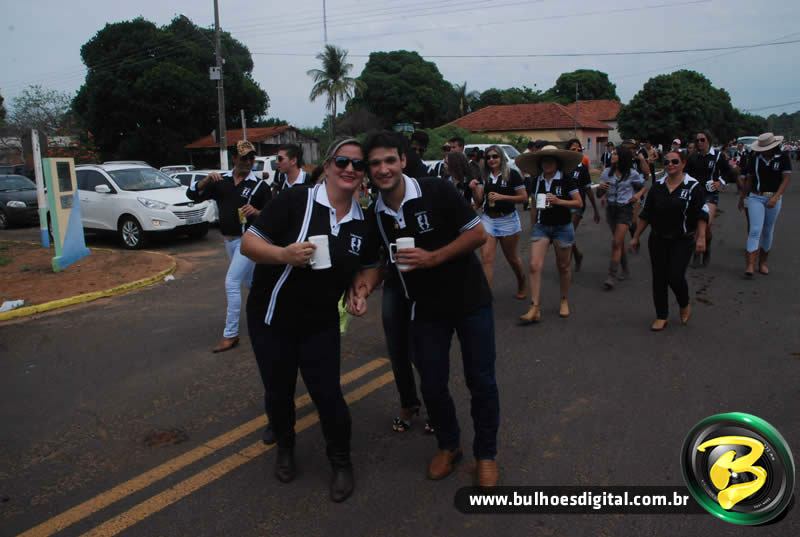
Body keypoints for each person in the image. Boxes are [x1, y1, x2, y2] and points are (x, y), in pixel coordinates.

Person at [350, 130, 500, 487]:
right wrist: (364, 288)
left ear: (403, 160)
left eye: (390, 160)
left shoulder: (437, 190)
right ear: (368, 171)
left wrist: (433, 258)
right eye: (375, 164)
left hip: (469, 300)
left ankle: (486, 455)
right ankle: (449, 445)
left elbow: (477, 234)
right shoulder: (376, 215)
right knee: (431, 383)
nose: (384, 169)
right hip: (426, 308)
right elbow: (381, 263)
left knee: (481, 380)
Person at [241, 137, 378, 502]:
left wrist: (360, 289)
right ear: (328, 166)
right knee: (279, 391)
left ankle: (341, 462)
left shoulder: (363, 221)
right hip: (272, 318)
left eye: (358, 165)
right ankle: (285, 449)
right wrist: (283, 254)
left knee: (328, 395)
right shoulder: (295, 200)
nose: (350, 169)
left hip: (320, 323)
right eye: (342, 161)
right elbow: (249, 244)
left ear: (363, 175)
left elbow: (366, 266)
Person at [186, 140, 272, 353]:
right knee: (251, 283)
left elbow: (273, 216)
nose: (248, 162)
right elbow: (192, 195)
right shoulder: (221, 181)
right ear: (234, 158)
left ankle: (230, 334)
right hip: (229, 241)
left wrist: (257, 212)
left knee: (232, 282)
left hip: (248, 240)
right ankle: (274, 312)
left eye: (251, 158)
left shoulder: (259, 186)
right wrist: (207, 180)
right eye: (244, 158)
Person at [630, 150, 707, 331]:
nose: (670, 164)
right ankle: (661, 315)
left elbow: (701, 214)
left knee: (675, 276)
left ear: (683, 163)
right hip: (658, 238)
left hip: (682, 239)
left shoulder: (693, 187)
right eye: (666, 162)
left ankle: (684, 303)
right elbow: (646, 214)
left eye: (674, 161)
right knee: (659, 278)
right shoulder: (657, 186)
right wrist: (636, 237)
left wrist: (701, 237)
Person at [516, 145, 583, 323]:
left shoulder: (566, 179)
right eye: (544, 160)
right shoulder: (536, 181)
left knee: (563, 266)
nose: (547, 163)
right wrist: (533, 226)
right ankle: (534, 307)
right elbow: (533, 205)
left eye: (550, 160)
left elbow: (578, 203)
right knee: (534, 265)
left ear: (557, 162)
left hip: (563, 227)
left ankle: (564, 299)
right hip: (542, 226)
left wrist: (559, 201)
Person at [471, 145, 527, 298]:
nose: (491, 160)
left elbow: (523, 197)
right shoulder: (485, 176)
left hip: (508, 220)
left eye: (495, 156)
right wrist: (474, 189)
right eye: (488, 157)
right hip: (488, 219)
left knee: (512, 258)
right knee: (487, 259)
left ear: (501, 157)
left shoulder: (512, 174)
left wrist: (503, 197)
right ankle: (486, 297)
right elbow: (479, 200)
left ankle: (522, 281)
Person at [740, 133, 792, 277]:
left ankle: (762, 262)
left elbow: (786, 179)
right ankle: (750, 264)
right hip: (756, 196)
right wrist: (743, 197)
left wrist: (776, 196)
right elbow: (749, 179)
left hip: (773, 196)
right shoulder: (755, 158)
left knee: (768, 230)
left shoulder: (783, 158)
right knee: (755, 229)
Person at [596, 146, 646, 289]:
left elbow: (643, 187)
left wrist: (637, 195)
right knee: (619, 243)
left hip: (625, 209)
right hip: (611, 210)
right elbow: (599, 195)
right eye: (613, 153)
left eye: (615, 154)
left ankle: (611, 276)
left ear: (622, 157)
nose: (612, 155)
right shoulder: (607, 172)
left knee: (616, 242)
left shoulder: (632, 173)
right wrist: (601, 189)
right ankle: (625, 268)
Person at [685, 130, 735, 267]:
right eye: (697, 140)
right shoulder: (692, 157)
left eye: (702, 140)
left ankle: (700, 250)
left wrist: (720, 182)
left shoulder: (717, 156)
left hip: (710, 194)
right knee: (697, 224)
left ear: (709, 140)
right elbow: (685, 174)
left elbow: (729, 172)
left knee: (705, 223)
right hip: (695, 194)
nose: (699, 142)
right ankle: (701, 248)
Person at [565, 139, 600, 272]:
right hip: (563, 204)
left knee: (568, 233)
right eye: (573, 149)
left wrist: (596, 210)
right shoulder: (562, 167)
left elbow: (588, 190)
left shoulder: (582, 168)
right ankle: (577, 255)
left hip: (577, 205)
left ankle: (566, 268)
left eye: (578, 149)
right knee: (566, 234)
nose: (576, 151)